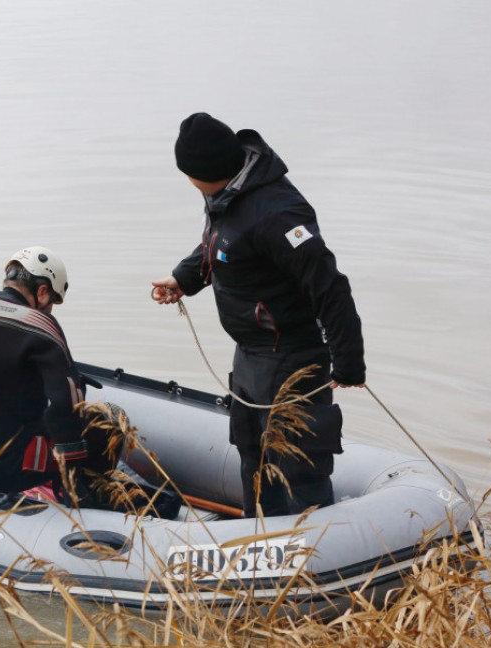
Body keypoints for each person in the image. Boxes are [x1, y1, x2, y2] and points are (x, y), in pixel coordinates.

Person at [151, 112, 365, 518]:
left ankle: (318, 545)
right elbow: (222, 245)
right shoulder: (226, 193)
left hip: (293, 356)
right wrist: (183, 278)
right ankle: (258, 538)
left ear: (202, 172)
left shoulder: (278, 213)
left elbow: (330, 285)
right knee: (253, 457)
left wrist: (348, 361)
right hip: (250, 354)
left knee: (298, 466)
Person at [0, 247, 112, 503]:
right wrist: (73, 476)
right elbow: (66, 406)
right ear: (42, 292)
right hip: (2, 473)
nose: (50, 310)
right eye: (52, 302)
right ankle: (83, 500)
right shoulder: (40, 325)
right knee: (107, 422)